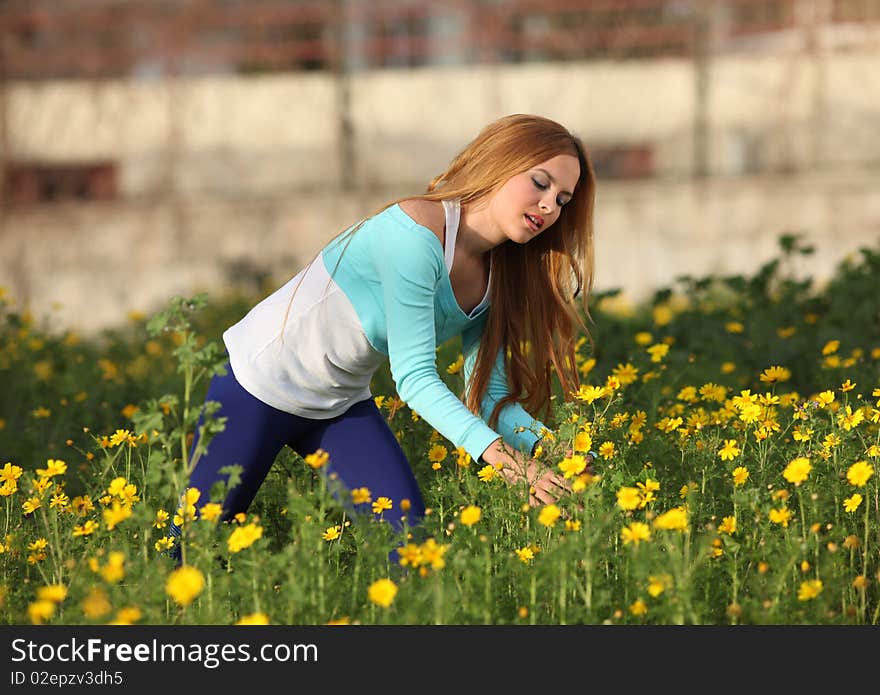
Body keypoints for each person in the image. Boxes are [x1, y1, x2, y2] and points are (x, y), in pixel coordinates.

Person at [168, 113, 597, 561]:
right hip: (255, 384)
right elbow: (413, 378)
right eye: (540, 183)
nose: (550, 207)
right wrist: (510, 465)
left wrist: (563, 451)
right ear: (498, 163)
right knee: (193, 553)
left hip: (337, 404)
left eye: (564, 199)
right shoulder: (414, 234)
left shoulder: (500, 277)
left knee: (412, 548)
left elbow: (490, 399)